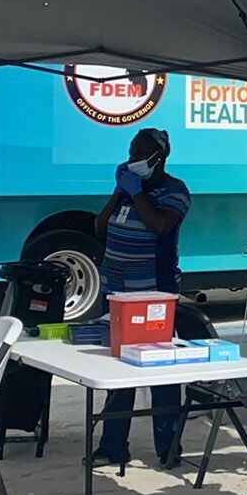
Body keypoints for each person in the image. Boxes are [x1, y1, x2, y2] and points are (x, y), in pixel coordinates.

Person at [90, 127, 190, 468]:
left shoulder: (173, 191)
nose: (132, 159)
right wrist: (119, 193)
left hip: (153, 294)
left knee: (160, 373)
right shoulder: (127, 191)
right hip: (117, 294)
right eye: (130, 152)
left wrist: (137, 195)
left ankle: (168, 446)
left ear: (157, 158)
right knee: (119, 371)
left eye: (138, 154)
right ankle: (112, 445)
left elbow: (160, 226)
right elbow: (100, 228)